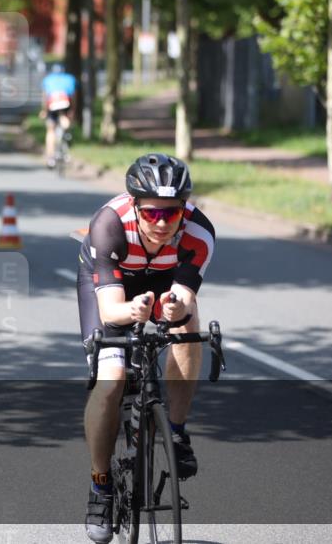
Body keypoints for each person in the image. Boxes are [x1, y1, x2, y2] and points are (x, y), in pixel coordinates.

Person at [78, 154, 216, 543]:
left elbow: (186, 294)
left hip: (165, 279)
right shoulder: (109, 225)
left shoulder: (199, 232)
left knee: (188, 326)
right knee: (113, 378)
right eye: (152, 213)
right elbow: (111, 309)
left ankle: (175, 429)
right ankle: (100, 485)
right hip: (111, 287)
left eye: (171, 214)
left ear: (183, 210)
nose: (161, 223)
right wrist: (133, 311)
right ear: (135, 206)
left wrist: (175, 307)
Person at [40, 63, 75, 169]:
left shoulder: (47, 80)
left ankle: (50, 158)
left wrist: (44, 110)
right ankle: (66, 137)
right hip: (65, 104)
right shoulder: (70, 79)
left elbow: (45, 96)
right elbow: (73, 96)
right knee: (66, 122)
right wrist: (73, 110)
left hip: (52, 105)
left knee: (50, 131)